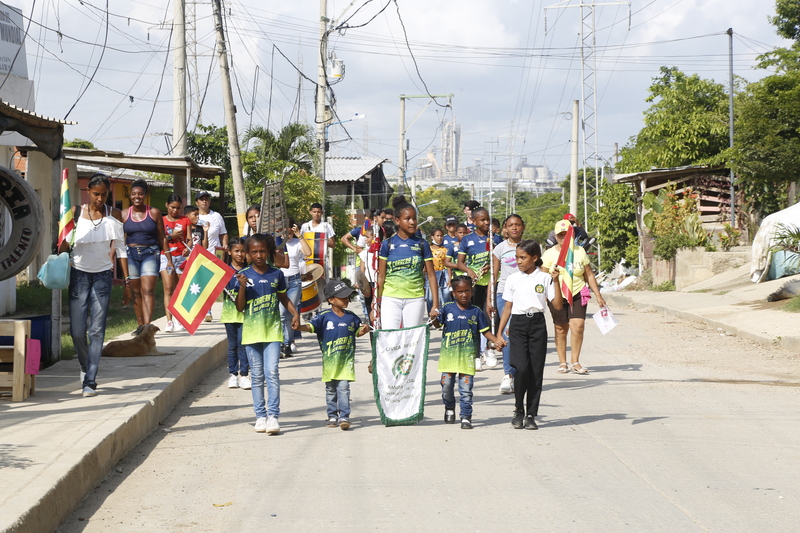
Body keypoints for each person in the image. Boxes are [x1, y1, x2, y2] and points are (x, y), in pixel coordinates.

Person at [59, 173, 130, 397]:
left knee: (97, 331)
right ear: (88, 192)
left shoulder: (114, 214)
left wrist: (127, 281)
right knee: (77, 332)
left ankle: (90, 380)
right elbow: (62, 245)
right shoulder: (75, 212)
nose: (100, 198)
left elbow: (120, 248)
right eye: (96, 194)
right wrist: (61, 239)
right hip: (79, 275)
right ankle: (83, 365)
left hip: (102, 277)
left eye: (104, 194)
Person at [235, 234, 300, 434]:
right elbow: (239, 307)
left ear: (269, 252)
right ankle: (260, 416)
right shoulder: (243, 275)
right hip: (252, 334)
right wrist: (243, 287)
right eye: (254, 252)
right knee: (257, 376)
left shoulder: (276, 274)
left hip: (272, 332)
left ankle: (273, 416)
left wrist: (295, 313)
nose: (259, 255)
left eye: (262, 251)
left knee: (271, 373)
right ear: (247, 254)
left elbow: (283, 297)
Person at [497, 240, 563, 430]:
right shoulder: (512, 279)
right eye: (517, 257)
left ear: (535, 258)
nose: (518, 261)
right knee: (521, 369)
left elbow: (557, 306)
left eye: (523, 257)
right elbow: (507, 308)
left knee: (535, 371)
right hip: (517, 325)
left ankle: (531, 414)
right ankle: (519, 409)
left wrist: (556, 281)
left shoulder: (545, 278)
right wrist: (499, 333)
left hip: (537, 324)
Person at [294, 280, 370, 430]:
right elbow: (310, 327)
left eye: (347, 297)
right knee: (330, 389)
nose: (346, 300)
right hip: (329, 363)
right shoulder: (323, 317)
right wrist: (298, 327)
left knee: (343, 388)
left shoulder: (352, 317)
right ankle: (332, 415)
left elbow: (357, 332)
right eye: (342, 297)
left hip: (346, 362)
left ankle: (344, 416)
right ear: (331, 300)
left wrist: (364, 330)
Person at [433, 276, 505, 429]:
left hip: (467, 357)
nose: (464, 295)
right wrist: (434, 318)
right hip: (449, 358)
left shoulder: (476, 312)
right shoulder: (447, 308)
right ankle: (449, 407)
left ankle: (466, 416)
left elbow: (485, 331)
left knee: (466, 389)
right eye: (460, 292)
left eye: (467, 291)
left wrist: (496, 340)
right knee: (446, 386)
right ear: (453, 293)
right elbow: (438, 324)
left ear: (472, 291)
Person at [541, 219, 606, 375]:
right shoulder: (549, 254)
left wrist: (598, 295)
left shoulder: (579, 251)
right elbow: (541, 277)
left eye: (567, 234)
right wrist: (551, 278)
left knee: (578, 326)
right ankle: (562, 362)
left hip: (577, 292)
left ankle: (575, 361)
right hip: (557, 295)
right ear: (555, 236)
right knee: (560, 328)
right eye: (560, 235)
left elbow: (589, 274)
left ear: (572, 235)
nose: (563, 237)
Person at [375, 196, 440, 329]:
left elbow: (431, 276)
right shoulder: (387, 244)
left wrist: (435, 305)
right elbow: (381, 276)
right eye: (407, 219)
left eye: (414, 218)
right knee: (391, 337)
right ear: (397, 221)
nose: (412, 222)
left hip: (415, 299)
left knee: (411, 339)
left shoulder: (423, 244)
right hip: (390, 298)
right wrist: (376, 304)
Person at [123, 179, 171, 334]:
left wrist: (169, 259)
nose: (137, 196)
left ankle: (148, 326)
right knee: (136, 292)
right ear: (130, 195)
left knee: (148, 290)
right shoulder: (124, 214)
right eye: (134, 194)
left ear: (145, 195)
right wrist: (112, 257)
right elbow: (118, 240)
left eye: (140, 194)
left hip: (150, 254)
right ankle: (140, 325)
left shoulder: (154, 212)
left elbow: (162, 237)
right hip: (131, 255)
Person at [489, 214, 525, 394]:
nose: (514, 228)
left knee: (520, 333)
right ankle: (508, 374)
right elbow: (494, 275)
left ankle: (521, 372)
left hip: (524, 294)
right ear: (505, 228)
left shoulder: (529, 246)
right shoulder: (499, 248)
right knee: (506, 332)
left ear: (523, 227)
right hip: (504, 294)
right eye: (511, 225)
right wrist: (490, 297)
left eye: (518, 225)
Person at [279, 218, 311, 358]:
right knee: (281, 314)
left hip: (294, 281)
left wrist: (300, 235)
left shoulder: (297, 242)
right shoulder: (276, 242)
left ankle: (287, 344)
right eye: (284, 229)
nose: (288, 232)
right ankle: (281, 343)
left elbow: (308, 252)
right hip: (280, 280)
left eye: (290, 229)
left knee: (290, 313)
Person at [222, 238, 250, 390]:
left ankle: (244, 375)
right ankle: (233, 375)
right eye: (236, 251)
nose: (240, 254)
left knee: (243, 344)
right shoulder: (224, 271)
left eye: (242, 251)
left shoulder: (250, 270)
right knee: (232, 345)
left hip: (247, 314)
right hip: (229, 314)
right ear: (230, 252)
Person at [196, 191, 227, 322]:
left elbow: (223, 233)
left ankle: (207, 308)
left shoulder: (216, 216)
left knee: (212, 283)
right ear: (196, 202)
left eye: (206, 199)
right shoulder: (194, 216)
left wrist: (225, 245)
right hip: (198, 254)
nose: (204, 201)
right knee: (201, 282)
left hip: (214, 254)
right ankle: (203, 309)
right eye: (201, 199)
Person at [161, 194, 190, 333]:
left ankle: (179, 319)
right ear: (167, 205)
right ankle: (169, 321)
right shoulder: (160, 221)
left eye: (178, 208)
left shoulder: (185, 220)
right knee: (168, 288)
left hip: (181, 258)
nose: (175, 210)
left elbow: (189, 239)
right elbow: (160, 239)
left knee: (180, 289)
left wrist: (187, 248)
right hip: (166, 257)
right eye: (172, 207)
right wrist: (170, 237)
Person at [456, 207, 492, 316]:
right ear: (474, 221)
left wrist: (490, 266)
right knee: (476, 313)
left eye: (487, 219)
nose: (486, 222)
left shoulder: (495, 238)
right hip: (475, 284)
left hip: (492, 282)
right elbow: (460, 263)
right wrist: (469, 271)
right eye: (482, 220)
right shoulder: (467, 239)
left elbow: (500, 261)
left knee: (490, 315)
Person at [426, 227, 448, 314]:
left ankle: (444, 316)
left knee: (445, 295)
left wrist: (449, 278)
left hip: (443, 274)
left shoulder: (445, 250)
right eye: (437, 236)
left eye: (441, 236)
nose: (439, 238)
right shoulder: (428, 249)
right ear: (432, 237)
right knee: (430, 297)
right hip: (431, 274)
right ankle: (431, 315)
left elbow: (447, 263)